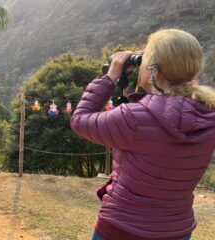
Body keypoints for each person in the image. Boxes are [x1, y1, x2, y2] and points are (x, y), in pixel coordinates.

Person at [70, 28, 215, 240]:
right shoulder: (209, 116)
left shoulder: (134, 118)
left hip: (122, 228)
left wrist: (109, 78)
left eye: (144, 60)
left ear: (155, 71)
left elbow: (80, 120)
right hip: (177, 231)